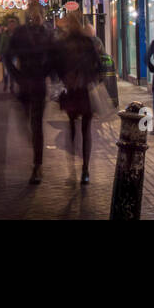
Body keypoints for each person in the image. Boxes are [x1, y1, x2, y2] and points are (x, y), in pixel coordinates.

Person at [54, 11, 103, 184]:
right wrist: (93, 80)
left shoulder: (63, 42)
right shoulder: (88, 42)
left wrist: (65, 79)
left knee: (72, 128)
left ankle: (73, 169)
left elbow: (57, 66)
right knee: (85, 130)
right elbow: (99, 65)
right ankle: (85, 170)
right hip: (84, 90)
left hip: (72, 90)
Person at [7, 4, 53, 184]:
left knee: (35, 124)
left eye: (37, 14)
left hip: (35, 83)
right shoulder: (23, 33)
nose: (35, 17)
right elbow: (8, 56)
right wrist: (18, 76)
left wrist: (44, 73)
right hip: (29, 82)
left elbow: (54, 57)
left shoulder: (46, 33)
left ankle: (37, 165)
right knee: (30, 123)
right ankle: (37, 162)